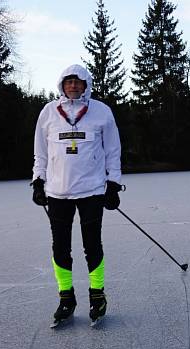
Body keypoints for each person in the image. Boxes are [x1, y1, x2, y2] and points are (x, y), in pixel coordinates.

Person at [31, 64, 122, 326]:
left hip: (92, 191)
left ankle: (97, 296)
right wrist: (38, 180)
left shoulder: (101, 112)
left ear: (86, 85)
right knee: (60, 247)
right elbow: (41, 152)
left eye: (78, 82)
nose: (73, 86)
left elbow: (113, 150)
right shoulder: (48, 113)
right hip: (58, 193)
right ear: (62, 85)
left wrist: (113, 184)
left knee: (92, 245)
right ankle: (66, 298)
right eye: (69, 82)